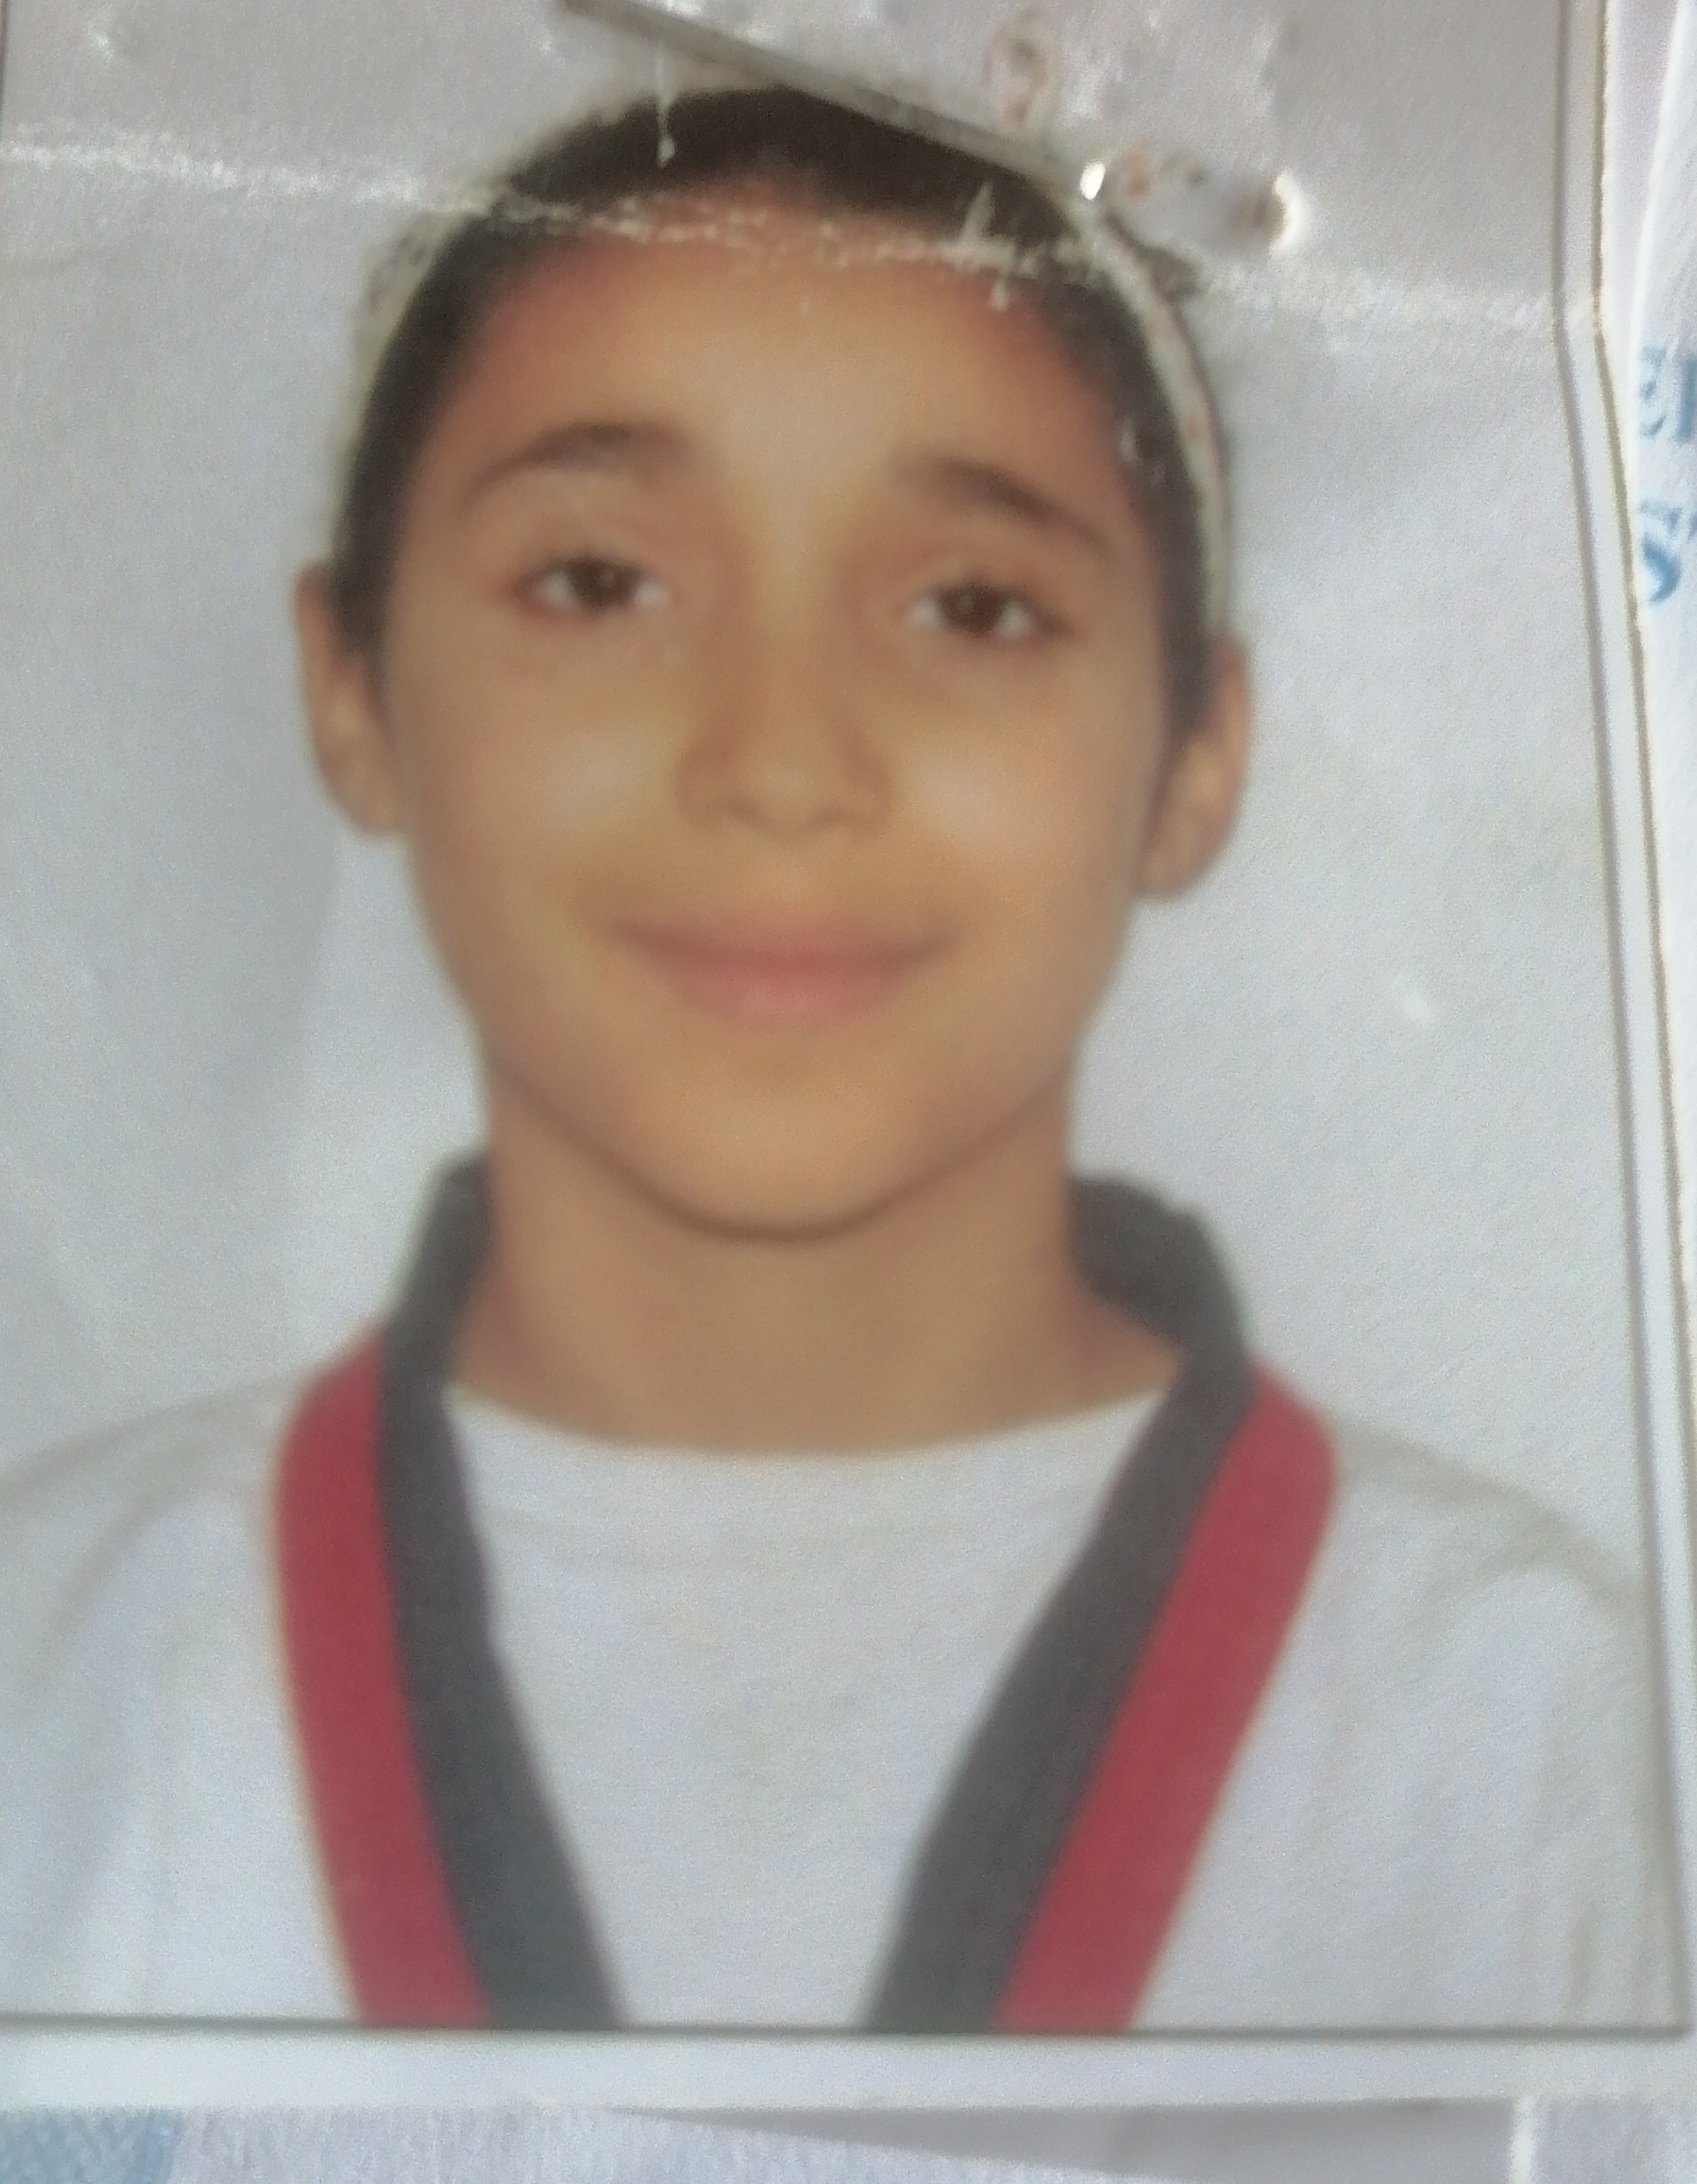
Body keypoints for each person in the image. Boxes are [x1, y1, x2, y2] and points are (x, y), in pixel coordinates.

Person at [0, 84, 1677, 2029]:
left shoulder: (1520, 1723)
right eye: (598, 582)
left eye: (974, 607)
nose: (782, 763)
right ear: (351, 685)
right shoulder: (62, 1654)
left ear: (1198, 754)